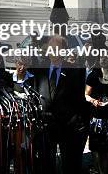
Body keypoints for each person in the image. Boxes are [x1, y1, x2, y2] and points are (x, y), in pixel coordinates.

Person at [31, 35, 89, 174]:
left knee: (70, 165)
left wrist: (77, 124)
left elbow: (80, 100)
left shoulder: (76, 71)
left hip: (68, 127)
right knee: (46, 165)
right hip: (46, 127)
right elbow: (36, 96)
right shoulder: (39, 70)